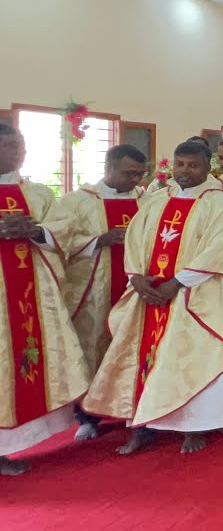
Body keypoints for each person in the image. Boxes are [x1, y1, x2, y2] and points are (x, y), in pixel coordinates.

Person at [83, 140, 223, 455]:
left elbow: (222, 248)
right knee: (144, 360)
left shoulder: (219, 203)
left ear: (208, 167)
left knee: (193, 358)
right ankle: (142, 426)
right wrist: (136, 278)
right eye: (180, 164)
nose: (185, 171)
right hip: (151, 294)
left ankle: (193, 427)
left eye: (193, 165)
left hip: (197, 294)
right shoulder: (155, 200)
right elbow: (135, 240)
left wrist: (177, 282)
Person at [0, 125, 89, 475]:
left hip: (26, 295)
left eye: (21, 145)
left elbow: (62, 229)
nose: (19, 152)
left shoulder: (36, 193)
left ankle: (5, 450)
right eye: (10, 146)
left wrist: (36, 231)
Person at [58, 144, 147, 440]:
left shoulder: (147, 200)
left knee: (132, 346)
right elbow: (60, 241)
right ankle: (88, 416)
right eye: (127, 173)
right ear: (108, 167)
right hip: (95, 288)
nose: (134, 180)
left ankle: (132, 407)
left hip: (135, 287)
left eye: (138, 174)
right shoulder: (77, 202)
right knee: (92, 346)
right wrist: (101, 240)